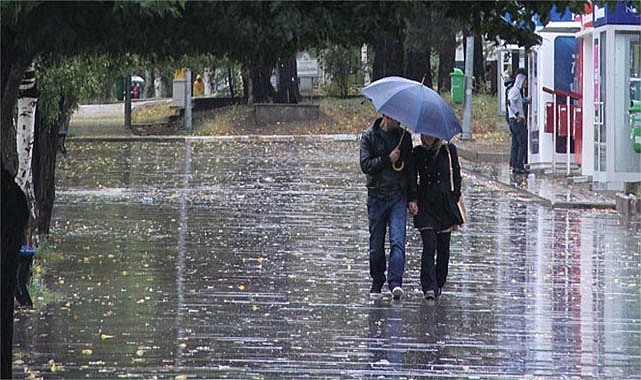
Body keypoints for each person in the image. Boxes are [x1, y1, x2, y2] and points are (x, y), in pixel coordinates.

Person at [360, 115, 417, 300]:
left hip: (398, 197)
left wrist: (412, 197)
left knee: (398, 241)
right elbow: (366, 165)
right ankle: (377, 281)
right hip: (377, 197)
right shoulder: (369, 136)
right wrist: (387, 159)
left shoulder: (404, 138)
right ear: (385, 116)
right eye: (394, 118)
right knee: (376, 245)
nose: (398, 121)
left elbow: (410, 170)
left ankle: (395, 282)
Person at [411, 134, 463, 300]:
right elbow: (412, 178)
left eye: (431, 135)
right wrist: (412, 199)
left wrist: (454, 196)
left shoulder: (448, 150)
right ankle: (428, 286)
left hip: (445, 205)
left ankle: (439, 282)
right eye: (424, 134)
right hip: (426, 204)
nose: (427, 138)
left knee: (443, 249)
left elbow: (456, 174)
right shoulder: (418, 152)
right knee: (429, 244)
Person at [507, 68, 529, 174]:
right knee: (522, 143)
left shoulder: (514, 91)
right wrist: (517, 115)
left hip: (513, 120)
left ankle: (514, 164)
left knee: (516, 143)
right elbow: (510, 102)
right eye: (525, 82)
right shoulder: (515, 91)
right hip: (516, 121)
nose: (526, 84)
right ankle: (519, 165)